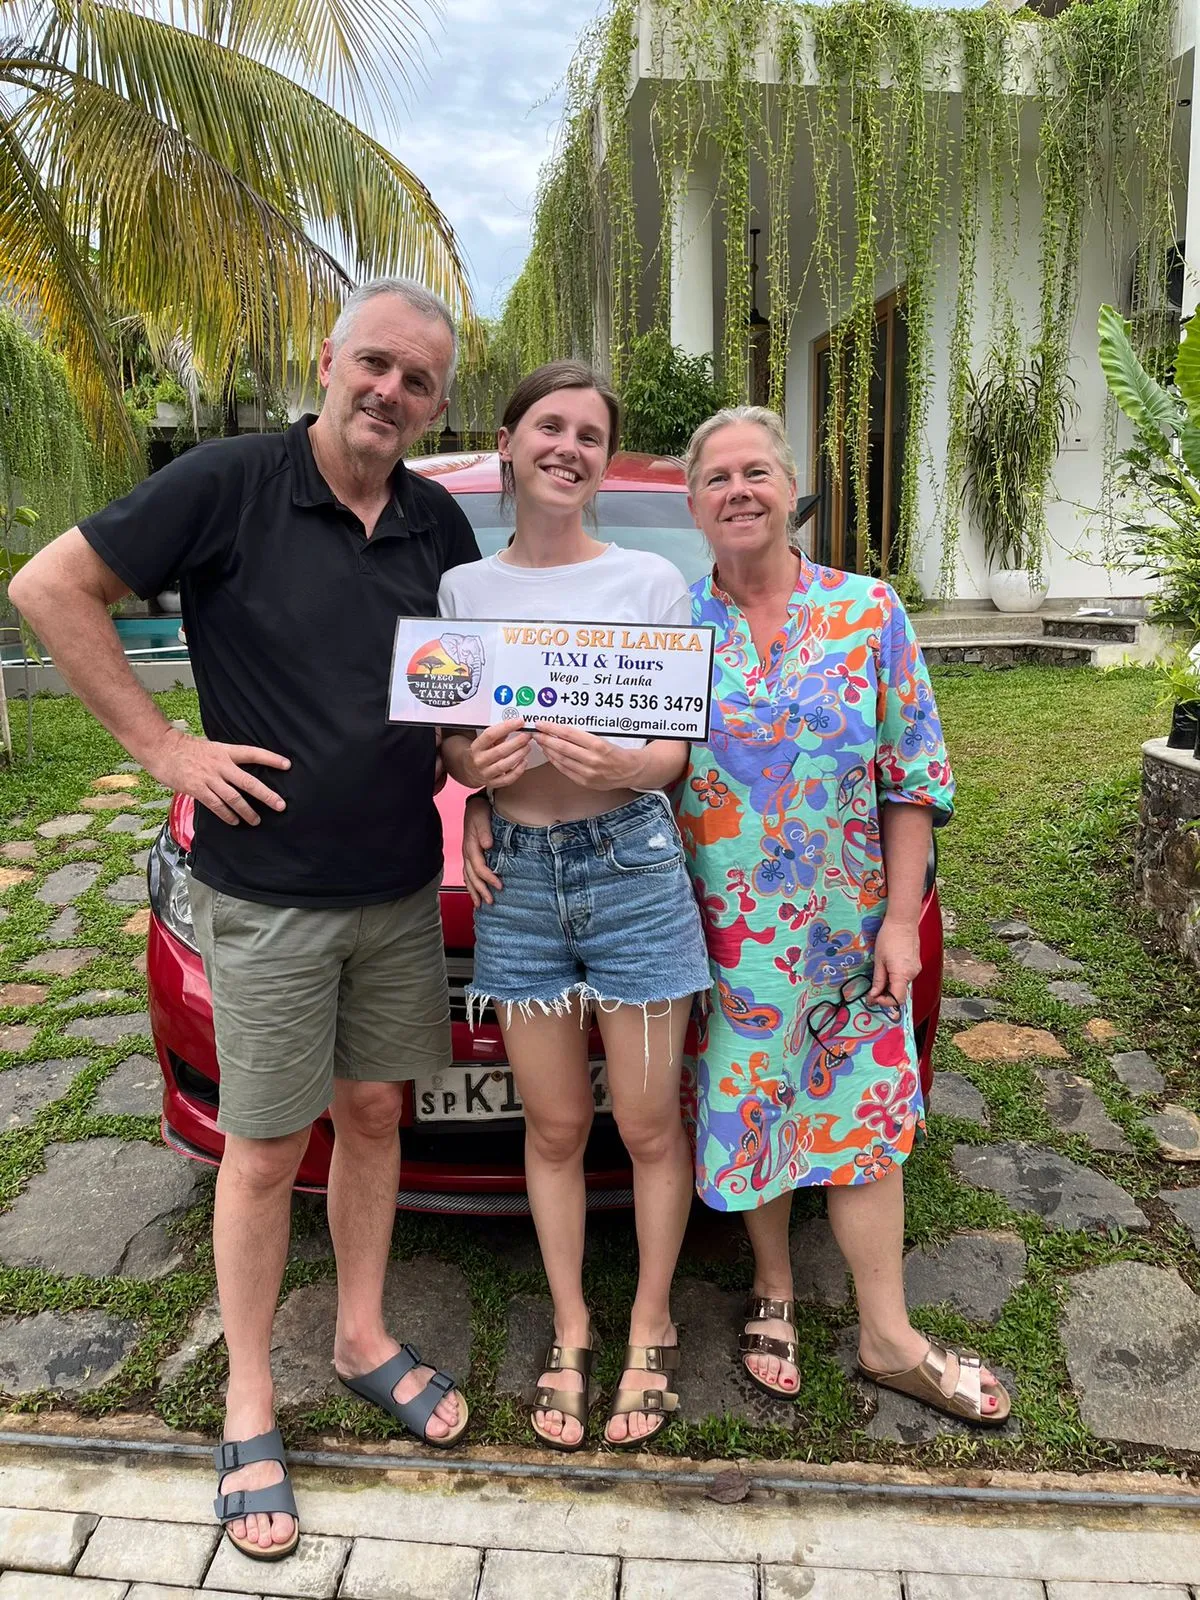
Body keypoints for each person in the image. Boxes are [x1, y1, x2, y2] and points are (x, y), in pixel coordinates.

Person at [10, 279, 480, 1563]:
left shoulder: (439, 523)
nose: (390, 392)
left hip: (395, 888)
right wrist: (164, 746)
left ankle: (363, 1333)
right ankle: (250, 1395)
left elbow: (451, 696)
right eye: (374, 365)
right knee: (267, 1151)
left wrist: (488, 762)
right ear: (328, 360)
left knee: (377, 1115)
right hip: (266, 899)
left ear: (438, 404)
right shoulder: (226, 484)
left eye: (419, 381)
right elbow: (51, 586)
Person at [465, 404, 1010, 1429]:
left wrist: (902, 919)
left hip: (847, 933)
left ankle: (890, 1335)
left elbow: (910, 776)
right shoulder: (676, 629)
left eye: (755, 471)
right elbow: (588, 758)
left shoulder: (867, 612)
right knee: (750, 1109)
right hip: (715, 935)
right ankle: (775, 1286)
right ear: (694, 505)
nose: (738, 492)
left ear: (790, 485)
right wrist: (484, 798)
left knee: (864, 1125)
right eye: (716, 479)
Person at [439, 360, 710, 1450]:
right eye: (548, 425)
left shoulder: (647, 582)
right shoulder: (466, 592)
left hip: (633, 869)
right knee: (552, 1125)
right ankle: (570, 1326)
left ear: (602, 458)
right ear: (508, 441)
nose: (568, 446)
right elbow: (452, 735)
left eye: (589, 434)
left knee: (645, 1124)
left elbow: (677, 748)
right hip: (519, 883)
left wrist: (627, 770)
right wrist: (472, 779)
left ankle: (650, 1329)